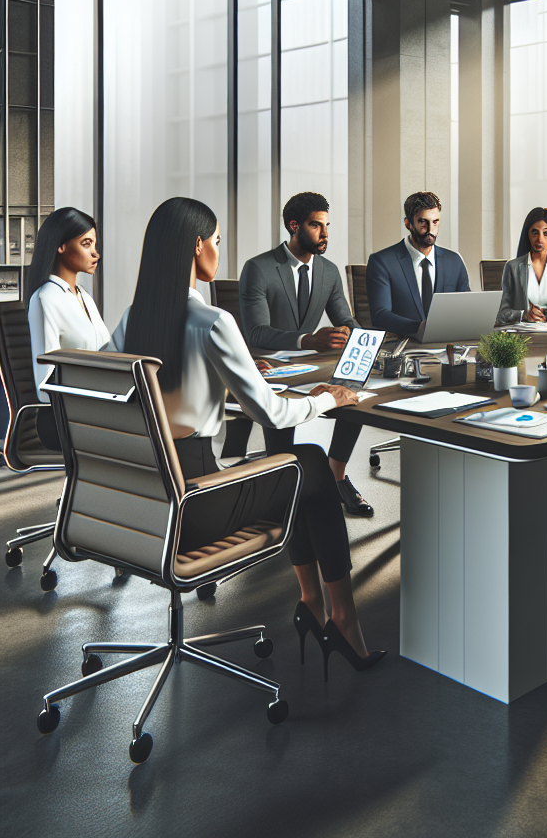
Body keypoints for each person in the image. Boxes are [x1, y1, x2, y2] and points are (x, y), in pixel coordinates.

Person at [113, 197, 384, 676]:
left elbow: (136, 395)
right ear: (196, 247)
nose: (220, 251)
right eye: (217, 241)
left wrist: (235, 372)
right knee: (313, 467)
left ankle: (312, 605)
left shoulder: (133, 320)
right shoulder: (213, 322)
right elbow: (275, 414)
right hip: (197, 507)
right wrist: (329, 399)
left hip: (142, 503)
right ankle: (341, 618)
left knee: (299, 470)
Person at [235, 192, 372, 517]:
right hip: (268, 370)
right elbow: (256, 333)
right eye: (316, 225)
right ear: (294, 226)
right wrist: (310, 339)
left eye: (327, 226)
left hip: (310, 369)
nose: (325, 234)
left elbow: (346, 320)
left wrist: (362, 340)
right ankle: (282, 491)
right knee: (283, 456)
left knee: (354, 393)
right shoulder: (259, 268)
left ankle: (337, 474)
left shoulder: (328, 271)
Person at [26, 208, 112, 451]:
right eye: (86, 244)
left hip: (93, 410)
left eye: (94, 244)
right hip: (63, 419)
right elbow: (45, 386)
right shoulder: (45, 299)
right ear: (61, 246)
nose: (95, 253)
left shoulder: (83, 296)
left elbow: (103, 352)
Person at [366, 191, 470, 336]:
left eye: (435, 222)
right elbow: (380, 316)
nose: (430, 229)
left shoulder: (454, 261)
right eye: (423, 222)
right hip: (404, 347)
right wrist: (419, 328)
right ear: (408, 223)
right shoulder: (382, 262)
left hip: (447, 345)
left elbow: (467, 308)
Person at [496, 207, 547, 326]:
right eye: (535, 233)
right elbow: (501, 314)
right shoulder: (512, 267)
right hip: (523, 336)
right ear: (527, 234)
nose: (540, 239)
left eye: (546, 233)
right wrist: (524, 315)